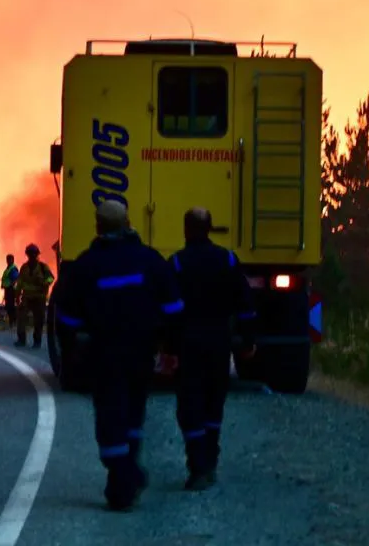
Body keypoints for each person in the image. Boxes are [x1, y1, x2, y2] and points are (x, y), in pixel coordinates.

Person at [55, 200, 183, 511]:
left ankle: (122, 477)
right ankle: (127, 473)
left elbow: (67, 318)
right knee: (134, 411)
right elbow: (173, 309)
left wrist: (70, 353)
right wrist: (171, 347)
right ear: (128, 223)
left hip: (105, 353)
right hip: (141, 351)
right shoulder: (150, 261)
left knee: (111, 414)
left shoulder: (85, 265)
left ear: (98, 227)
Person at [168, 207, 258, 491]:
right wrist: (247, 340)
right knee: (213, 403)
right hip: (220, 343)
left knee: (190, 405)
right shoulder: (228, 260)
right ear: (209, 228)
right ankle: (210, 460)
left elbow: (169, 311)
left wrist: (167, 347)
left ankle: (198, 466)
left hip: (189, 344)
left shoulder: (177, 264)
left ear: (186, 229)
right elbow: (246, 306)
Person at [14, 244, 55, 349]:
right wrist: (17, 295)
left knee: (39, 321)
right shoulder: (24, 267)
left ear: (37, 254)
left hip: (39, 298)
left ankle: (37, 341)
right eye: (29, 253)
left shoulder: (42, 267)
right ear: (27, 254)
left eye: (33, 253)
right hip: (26, 297)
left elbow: (51, 278)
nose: (31, 255)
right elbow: (20, 282)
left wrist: (45, 283)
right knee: (21, 319)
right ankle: (21, 339)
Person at [1, 254, 20, 328]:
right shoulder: (8, 268)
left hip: (10, 290)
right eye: (7, 259)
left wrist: (11, 285)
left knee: (10, 306)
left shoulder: (13, 268)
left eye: (9, 259)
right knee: (8, 306)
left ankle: (13, 322)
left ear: (12, 260)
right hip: (7, 289)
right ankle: (12, 321)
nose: (8, 261)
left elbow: (15, 278)